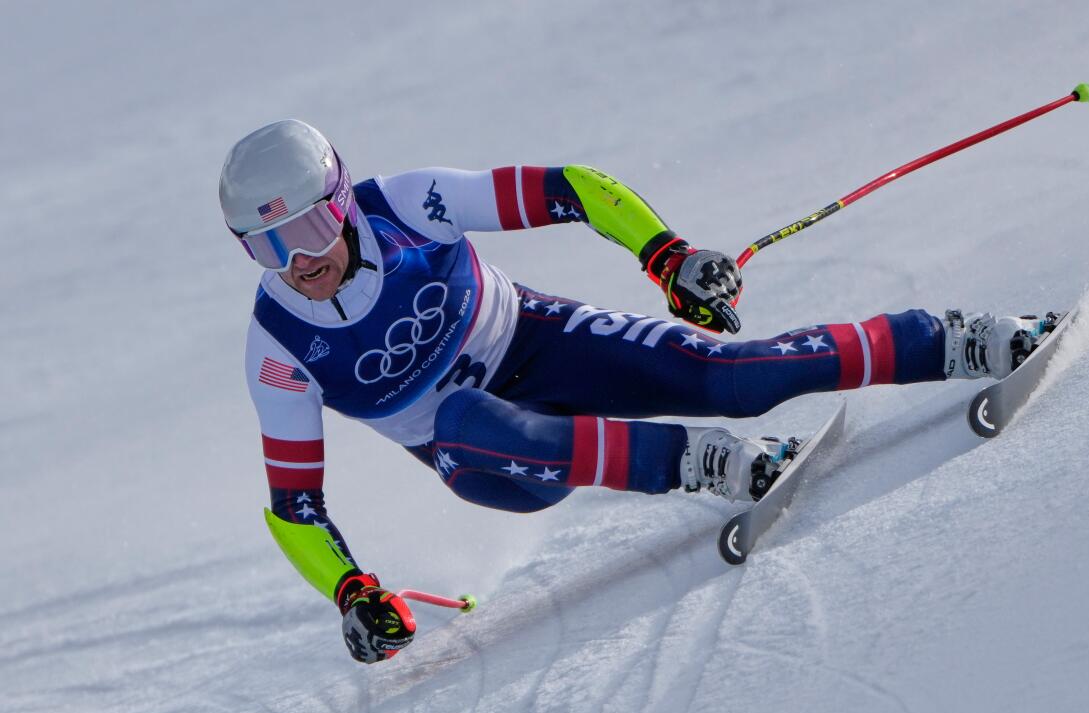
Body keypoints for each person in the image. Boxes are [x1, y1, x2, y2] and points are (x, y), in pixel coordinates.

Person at [220, 119, 1047, 664]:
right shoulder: (279, 346)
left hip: (540, 341)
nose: (299, 262)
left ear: (341, 203)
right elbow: (295, 508)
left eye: (308, 229)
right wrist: (353, 594)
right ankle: (706, 464)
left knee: (734, 377)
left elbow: (571, 187)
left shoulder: (405, 204)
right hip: (490, 458)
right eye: (267, 247)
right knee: (463, 418)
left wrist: (666, 256)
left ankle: (956, 339)